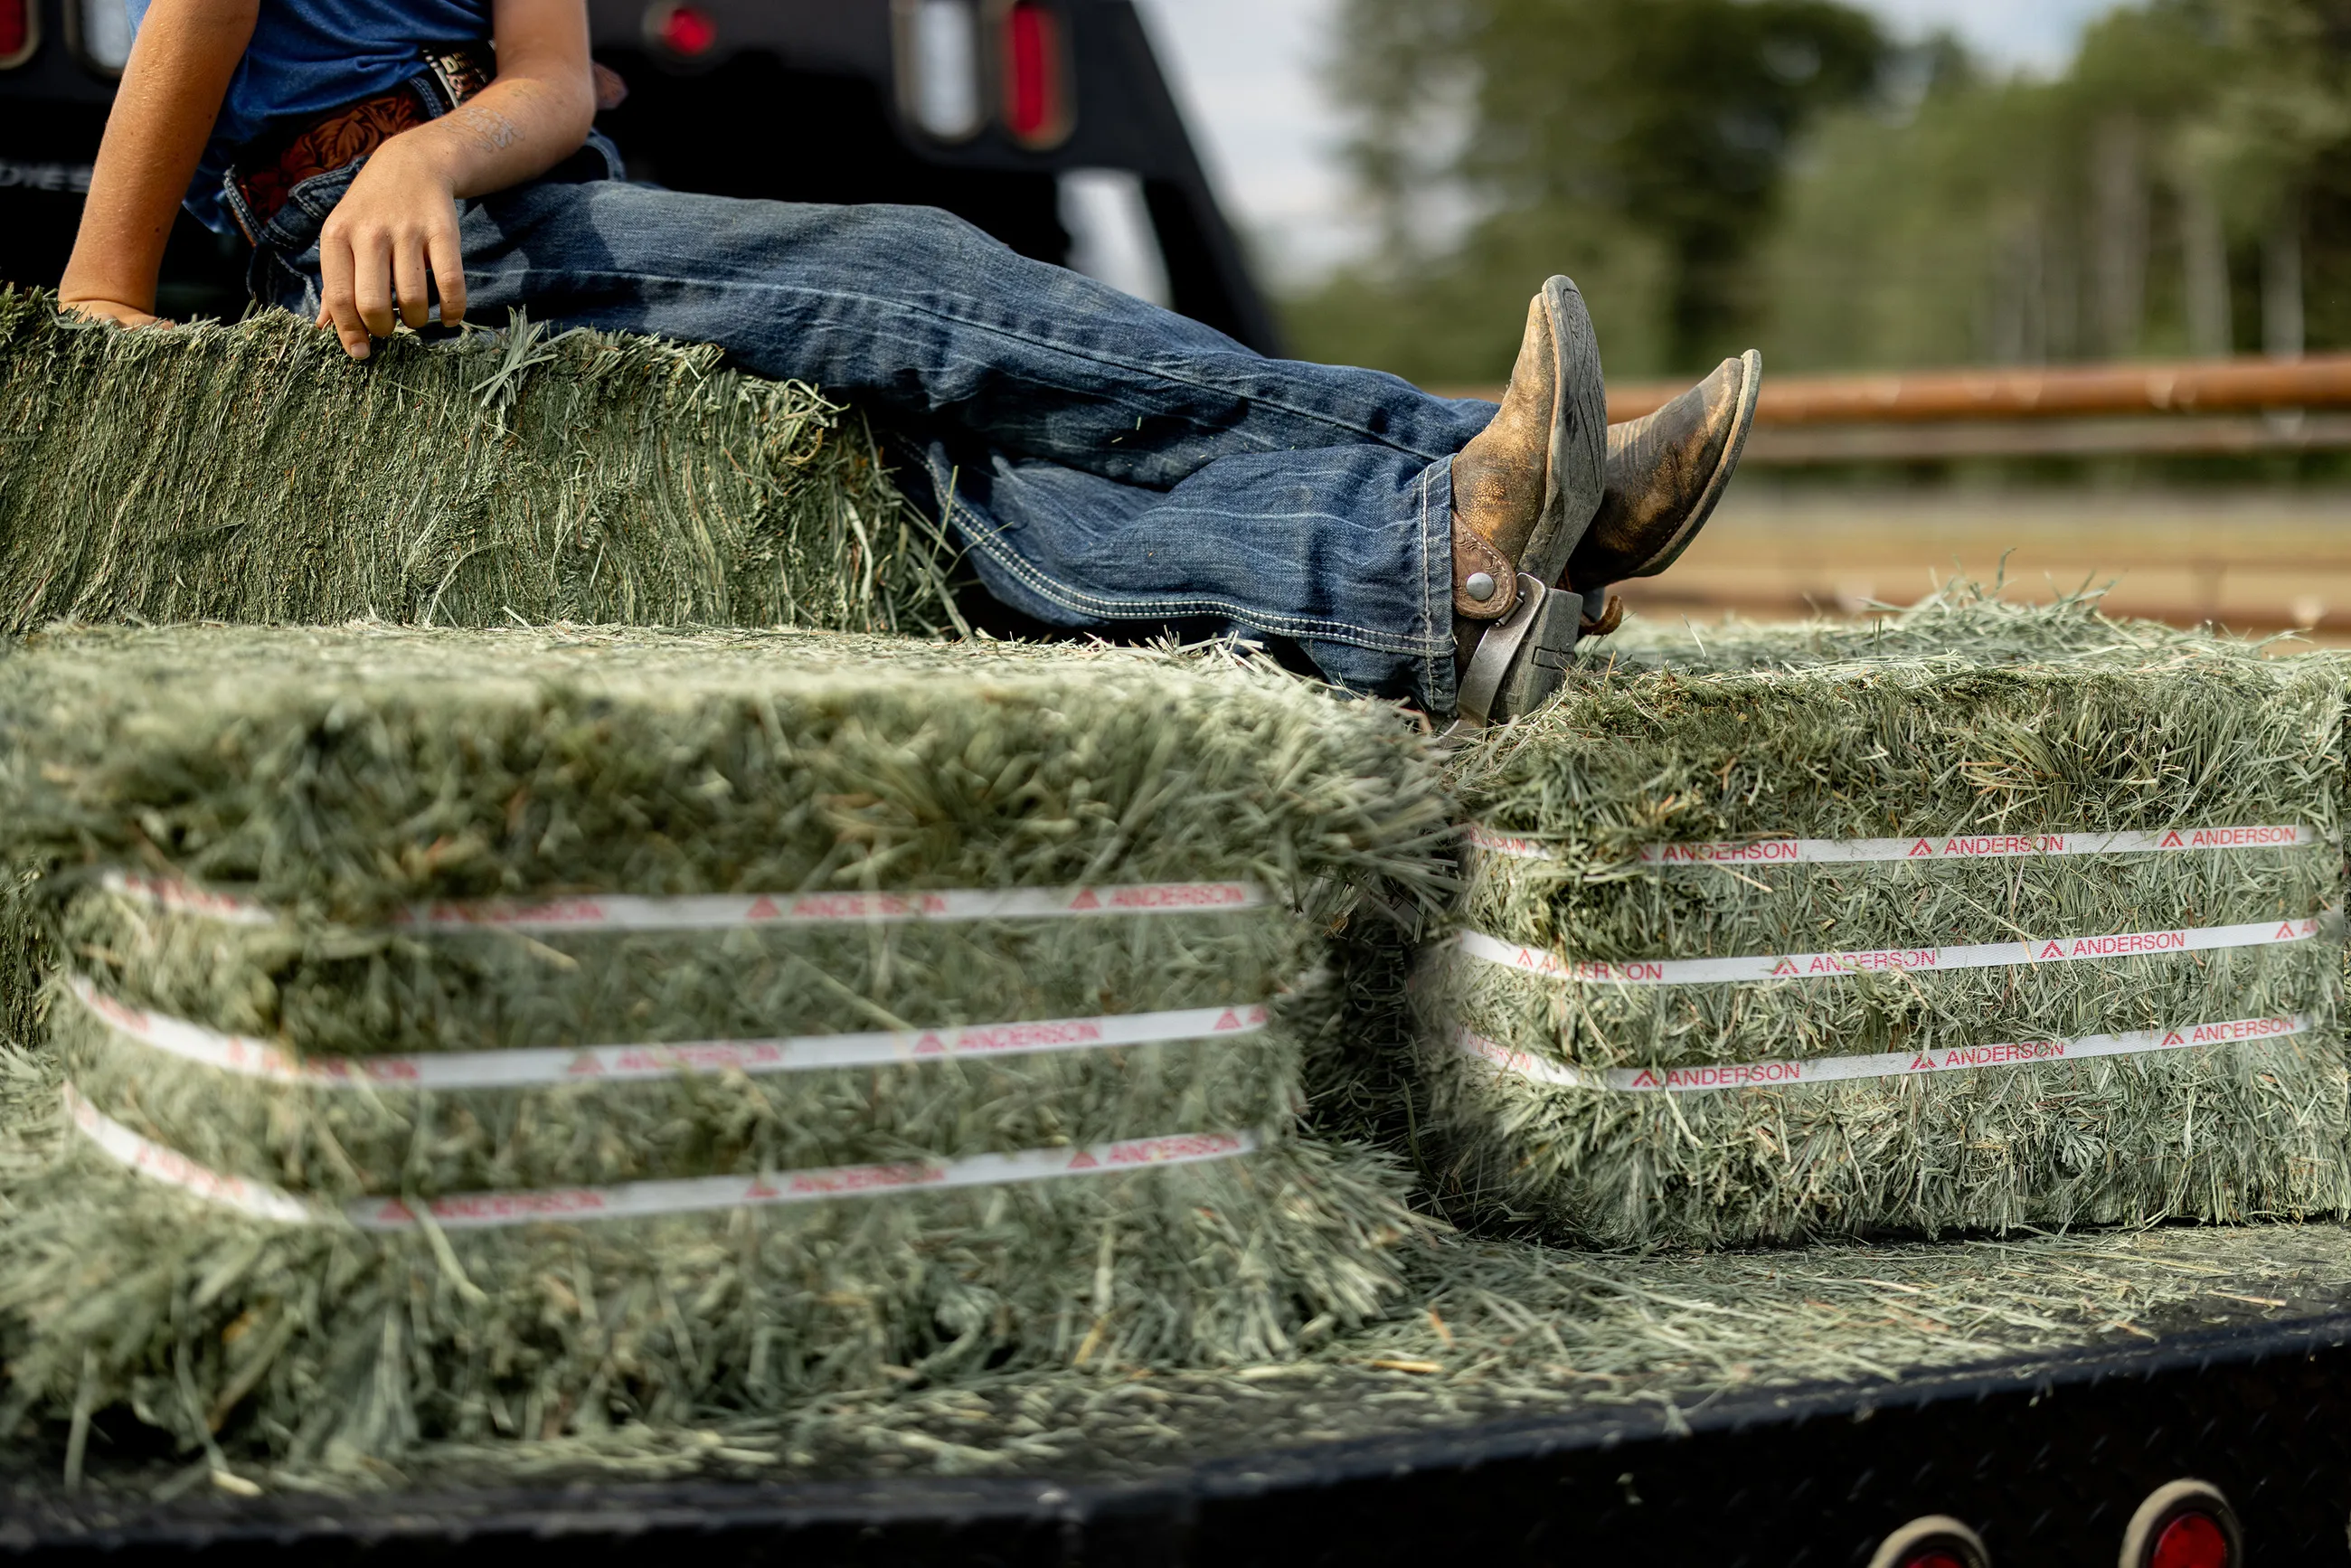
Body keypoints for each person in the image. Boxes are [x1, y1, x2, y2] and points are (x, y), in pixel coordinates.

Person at [58, 0, 1759, 723]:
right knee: (918, 281)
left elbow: (557, 84)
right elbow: (185, 39)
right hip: (388, 240)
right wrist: (103, 317)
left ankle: (1424, 577)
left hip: (510, 194)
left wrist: (448, 149)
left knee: (949, 491)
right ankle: (1485, 465)